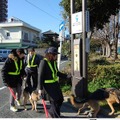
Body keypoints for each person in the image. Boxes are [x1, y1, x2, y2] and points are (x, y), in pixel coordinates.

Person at [38, 47, 72, 118]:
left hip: (55, 85)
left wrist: (66, 76)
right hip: (48, 86)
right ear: (51, 55)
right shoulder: (43, 62)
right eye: (55, 55)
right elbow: (40, 76)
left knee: (60, 100)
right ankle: (56, 116)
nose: (56, 56)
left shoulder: (53, 62)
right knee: (54, 102)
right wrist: (40, 89)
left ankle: (52, 112)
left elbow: (57, 73)